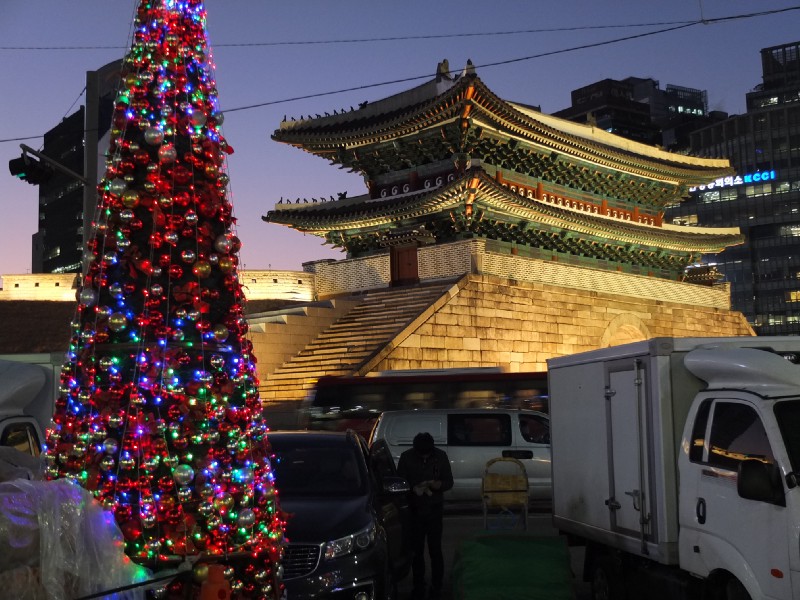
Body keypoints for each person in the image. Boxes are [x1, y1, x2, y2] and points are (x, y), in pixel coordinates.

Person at [396, 432, 454, 599]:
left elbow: (449, 481)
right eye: (421, 454)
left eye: (427, 454)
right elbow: (401, 480)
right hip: (415, 511)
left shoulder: (440, 456)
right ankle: (418, 585)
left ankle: (437, 586)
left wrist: (439, 484)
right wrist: (412, 488)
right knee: (417, 551)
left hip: (434, 509)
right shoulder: (407, 457)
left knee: (435, 550)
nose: (425, 456)